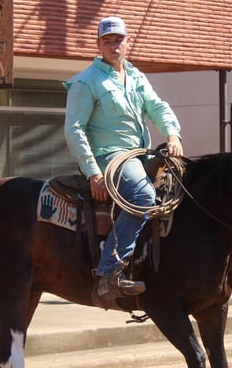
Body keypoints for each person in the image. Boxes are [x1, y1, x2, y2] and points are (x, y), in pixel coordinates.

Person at [64, 16, 183, 303]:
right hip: (110, 157)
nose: (113, 45)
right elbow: (74, 130)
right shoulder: (86, 82)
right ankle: (108, 274)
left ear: (128, 43)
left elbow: (157, 107)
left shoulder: (137, 77)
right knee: (143, 196)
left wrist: (172, 134)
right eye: (107, 41)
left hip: (140, 154)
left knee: (182, 184)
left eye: (118, 40)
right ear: (98, 45)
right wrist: (93, 172)